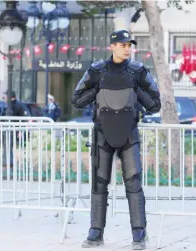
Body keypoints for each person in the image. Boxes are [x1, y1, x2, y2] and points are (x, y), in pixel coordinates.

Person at [71, 30, 161, 250]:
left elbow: (156, 104)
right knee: (99, 183)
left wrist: (136, 90)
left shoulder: (138, 71)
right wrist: (97, 90)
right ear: (112, 46)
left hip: (129, 133)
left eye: (129, 45)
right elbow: (76, 100)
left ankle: (139, 234)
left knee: (133, 183)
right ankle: (95, 232)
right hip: (102, 133)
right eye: (122, 45)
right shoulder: (96, 70)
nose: (127, 48)